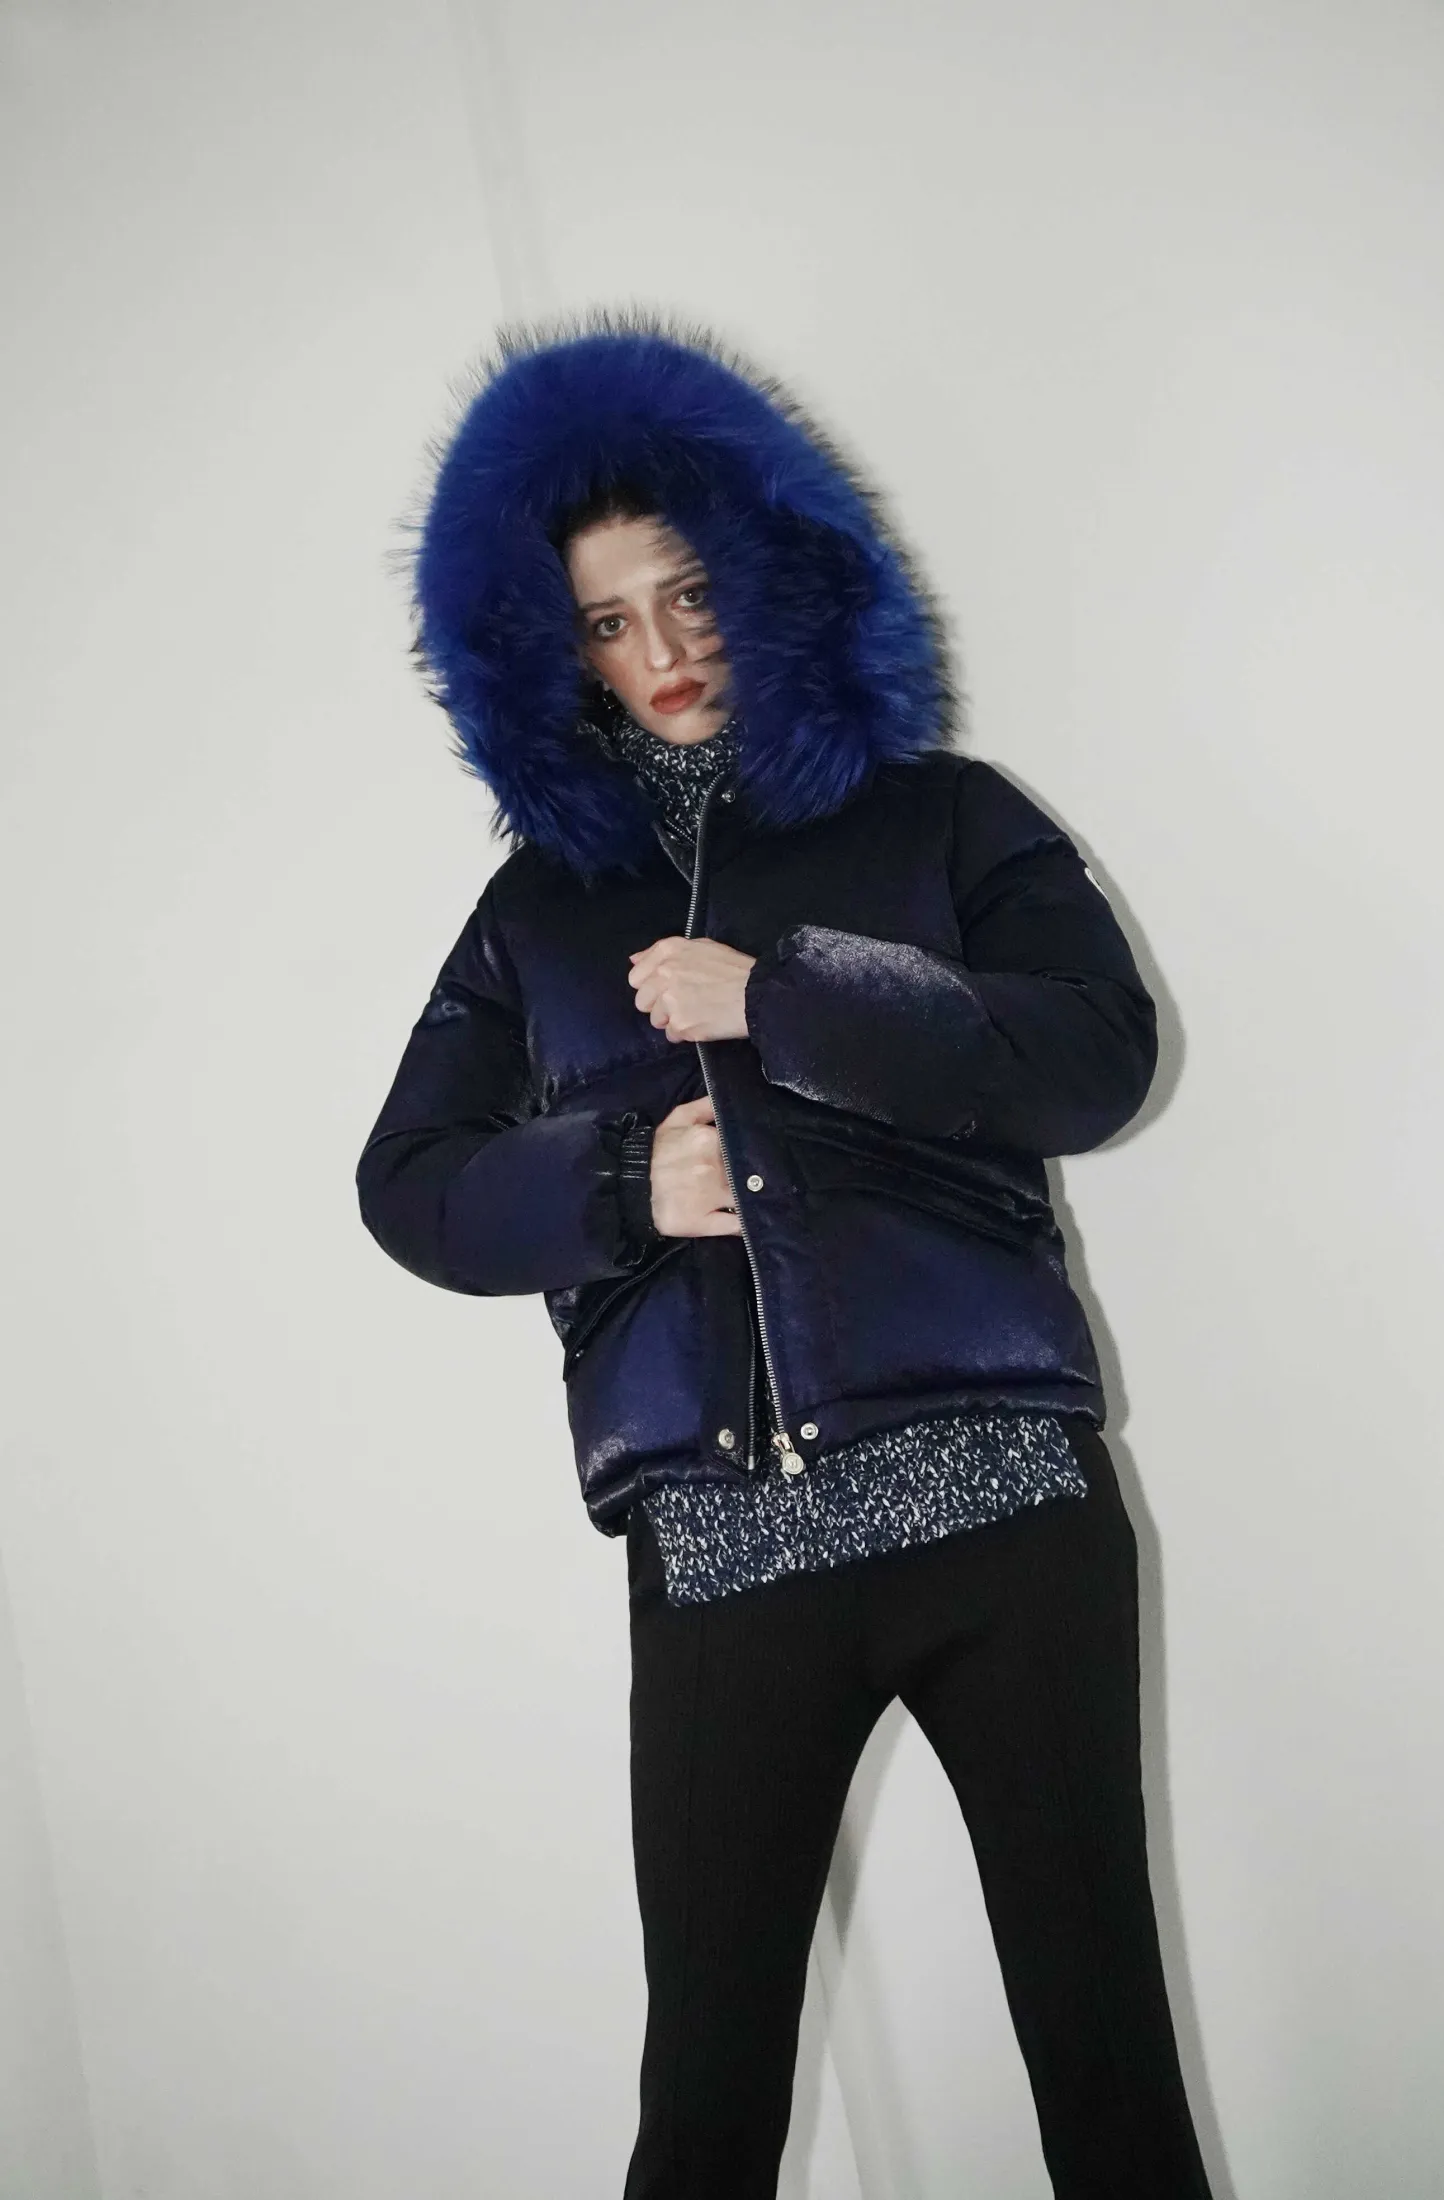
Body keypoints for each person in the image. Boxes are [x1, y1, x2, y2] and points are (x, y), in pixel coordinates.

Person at [355, 313, 1214, 2200]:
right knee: (708, 2099)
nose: (661, 651)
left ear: (767, 572)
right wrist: (615, 1183)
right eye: (605, 622)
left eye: (688, 595)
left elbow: (1097, 1054)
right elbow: (407, 1184)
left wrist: (789, 997)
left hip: (1004, 1517)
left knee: (1102, 2067)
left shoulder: (945, 818)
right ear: (545, 652)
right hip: (724, 1554)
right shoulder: (536, 913)